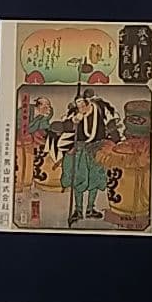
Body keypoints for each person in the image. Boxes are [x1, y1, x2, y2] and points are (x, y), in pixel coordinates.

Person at [60, 89, 123, 223]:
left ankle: (90, 209)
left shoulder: (102, 109)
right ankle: (78, 210)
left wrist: (117, 142)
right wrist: (74, 121)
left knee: (95, 179)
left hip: (97, 148)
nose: (82, 107)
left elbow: (111, 125)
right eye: (79, 105)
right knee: (78, 179)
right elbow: (65, 127)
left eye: (84, 104)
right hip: (80, 149)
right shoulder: (75, 112)